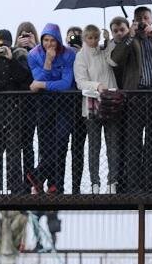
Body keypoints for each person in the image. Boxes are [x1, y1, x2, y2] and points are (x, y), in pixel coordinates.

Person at [110, 8, 152, 193]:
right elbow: (115, 59)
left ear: (151, 19)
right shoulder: (129, 39)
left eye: (145, 18)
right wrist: (130, 35)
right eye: (139, 19)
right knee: (133, 143)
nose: (143, 22)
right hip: (136, 96)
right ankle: (134, 186)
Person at [0, 28, 32, 193]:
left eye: (5, 45)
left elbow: (25, 78)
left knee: (14, 154)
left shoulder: (19, 54)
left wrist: (11, 59)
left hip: (13, 111)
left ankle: (15, 188)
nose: (2, 48)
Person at [27, 23, 76, 194]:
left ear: (59, 40)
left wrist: (42, 84)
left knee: (62, 141)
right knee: (46, 145)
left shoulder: (69, 54)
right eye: (46, 40)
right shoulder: (33, 55)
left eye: (52, 40)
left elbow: (65, 83)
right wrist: (48, 62)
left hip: (64, 103)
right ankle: (49, 184)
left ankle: (42, 177)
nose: (49, 44)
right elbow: (37, 77)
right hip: (44, 104)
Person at [73, 24, 118, 194]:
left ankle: (112, 181)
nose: (93, 41)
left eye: (96, 37)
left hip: (111, 102)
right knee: (94, 145)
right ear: (85, 38)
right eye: (90, 37)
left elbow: (113, 61)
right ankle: (94, 183)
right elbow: (81, 82)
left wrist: (109, 42)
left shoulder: (103, 50)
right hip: (92, 105)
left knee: (112, 143)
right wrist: (97, 85)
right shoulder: (80, 57)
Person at [14, 21, 40, 186]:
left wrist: (34, 47)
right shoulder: (14, 52)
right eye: (22, 34)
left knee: (44, 144)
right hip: (22, 103)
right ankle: (24, 181)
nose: (25, 37)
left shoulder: (40, 51)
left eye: (29, 34)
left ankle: (35, 179)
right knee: (25, 143)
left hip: (40, 100)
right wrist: (17, 48)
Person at [65, 26, 88, 193]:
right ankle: (57, 184)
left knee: (78, 148)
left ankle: (76, 186)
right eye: (71, 37)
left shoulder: (86, 54)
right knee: (61, 145)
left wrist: (81, 52)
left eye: (78, 37)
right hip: (65, 105)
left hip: (82, 104)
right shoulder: (63, 54)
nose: (74, 39)